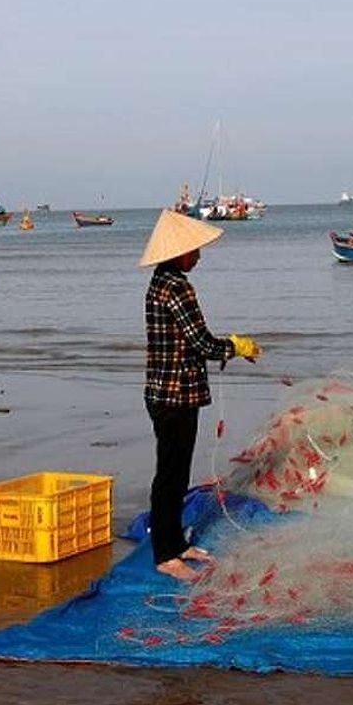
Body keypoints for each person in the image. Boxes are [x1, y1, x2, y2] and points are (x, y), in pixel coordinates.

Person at [140, 210, 260, 581]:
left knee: (175, 473)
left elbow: (187, 343)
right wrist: (236, 347)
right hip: (173, 396)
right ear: (177, 253)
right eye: (193, 250)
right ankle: (165, 553)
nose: (198, 256)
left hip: (169, 393)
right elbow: (202, 342)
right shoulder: (176, 287)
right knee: (170, 475)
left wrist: (225, 349)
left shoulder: (163, 281)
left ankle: (175, 543)